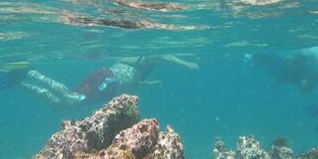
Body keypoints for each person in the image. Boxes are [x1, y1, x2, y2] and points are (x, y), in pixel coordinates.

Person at [17, 55, 199, 106]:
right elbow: (162, 56)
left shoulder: (139, 70)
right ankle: (31, 74)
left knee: (62, 103)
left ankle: (20, 82)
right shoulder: (144, 59)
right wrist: (187, 63)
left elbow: (129, 80)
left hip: (108, 85)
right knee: (71, 98)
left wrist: (146, 84)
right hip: (108, 81)